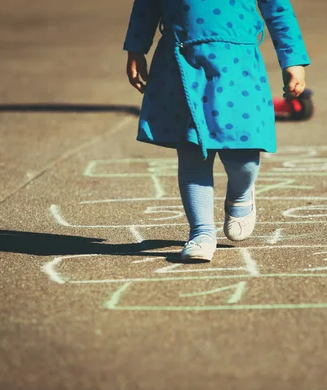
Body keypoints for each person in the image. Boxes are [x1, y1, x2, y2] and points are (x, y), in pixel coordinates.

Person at [123, 0, 309, 262]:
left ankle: (241, 193)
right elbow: (146, 4)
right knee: (192, 150)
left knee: (242, 153)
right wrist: (136, 47)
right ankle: (201, 232)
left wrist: (293, 59)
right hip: (182, 61)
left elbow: (278, 8)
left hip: (237, 63)